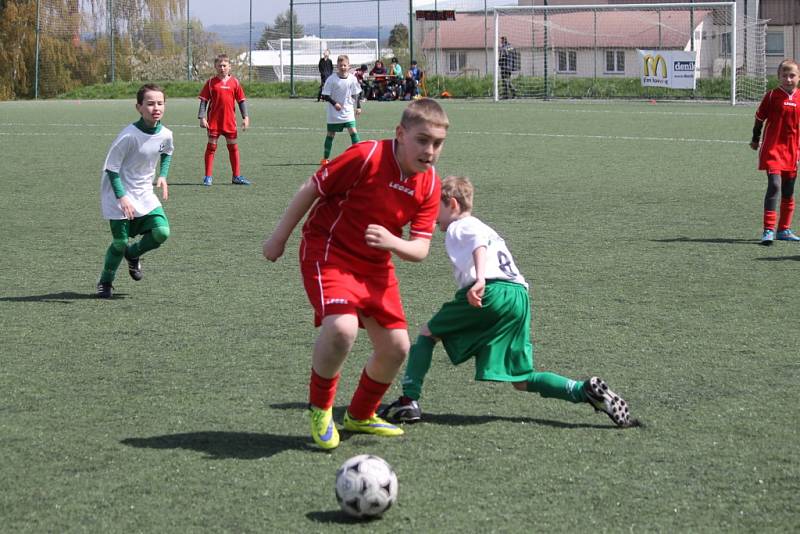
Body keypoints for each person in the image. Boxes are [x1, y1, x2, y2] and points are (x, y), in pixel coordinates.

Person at [262, 98, 450, 450]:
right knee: (342, 328)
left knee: (396, 347)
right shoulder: (366, 156)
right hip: (329, 251)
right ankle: (321, 409)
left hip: (375, 266)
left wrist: (392, 241)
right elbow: (312, 188)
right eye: (422, 140)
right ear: (400, 134)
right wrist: (278, 238)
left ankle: (360, 415)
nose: (430, 151)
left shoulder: (430, 184)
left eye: (437, 144)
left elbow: (420, 249)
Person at [381, 176, 637, 428]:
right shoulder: (485, 226)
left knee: (427, 334)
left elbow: (478, 246)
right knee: (521, 378)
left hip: (491, 290)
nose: (433, 216)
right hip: (518, 296)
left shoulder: (462, 226)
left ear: (452, 204)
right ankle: (584, 391)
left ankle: (408, 400)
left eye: (435, 207)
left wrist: (480, 279)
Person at [96, 84, 173, 299]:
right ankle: (105, 281)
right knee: (119, 243)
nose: (155, 107)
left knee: (161, 232)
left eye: (160, 103)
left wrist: (163, 175)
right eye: (149, 103)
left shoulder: (166, 134)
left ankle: (133, 253)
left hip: (144, 191)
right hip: (117, 191)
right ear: (138, 107)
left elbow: (167, 152)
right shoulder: (129, 136)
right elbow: (111, 168)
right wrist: (122, 197)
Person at [750, 58, 800, 245]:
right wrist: (755, 139)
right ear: (778, 77)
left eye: (792, 75)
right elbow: (759, 119)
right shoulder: (771, 96)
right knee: (775, 186)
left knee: (788, 190)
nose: (788, 79)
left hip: (792, 151)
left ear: (799, 77)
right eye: (784, 75)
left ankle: (784, 229)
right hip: (773, 149)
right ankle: (768, 230)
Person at [198, 53, 251, 186]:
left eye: (224, 65)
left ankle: (236, 176)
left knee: (233, 147)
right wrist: (202, 117)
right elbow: (204, 101)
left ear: (229, 67)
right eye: (219, 65)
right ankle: (208, 177)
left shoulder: (235, 82)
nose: (222, 68)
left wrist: (246, 117)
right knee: (211, 147)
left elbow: (241, 101)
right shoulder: (210, 82)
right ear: (215, 67)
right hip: (214, 121)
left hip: (229, 122)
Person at [319, 54, 363, 166]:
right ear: (337, 66)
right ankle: (325, 158)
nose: (343, 67)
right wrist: (335, 104)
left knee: (353, 131)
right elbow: (325, 95)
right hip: (334, 112)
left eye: (345, 65)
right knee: (331, 134)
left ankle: (358, 157)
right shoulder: (331, 79)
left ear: (349, 66)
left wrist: (358, 107)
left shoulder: (353, 79)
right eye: (340, 65)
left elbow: (356, 93)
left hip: (347, 110)